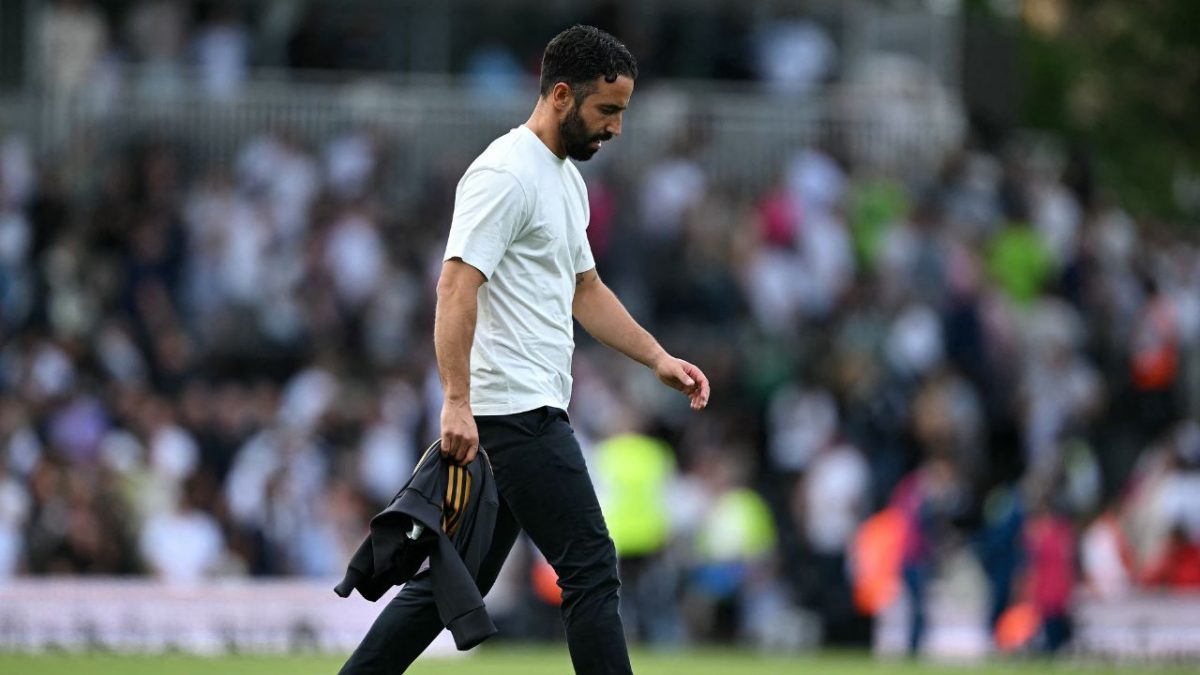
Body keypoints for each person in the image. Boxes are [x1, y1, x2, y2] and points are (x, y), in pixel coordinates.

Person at [340, 25, 710, 675]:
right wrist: (456, 400)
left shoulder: (563, 178)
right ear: (562, 95)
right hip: (515, 413)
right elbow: (455, 284)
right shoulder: (505, 173)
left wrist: (656, 357)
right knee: (592, 567)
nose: (617, 128)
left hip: (515, 411)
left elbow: (584, 287)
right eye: (608, 110)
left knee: (453, 581)